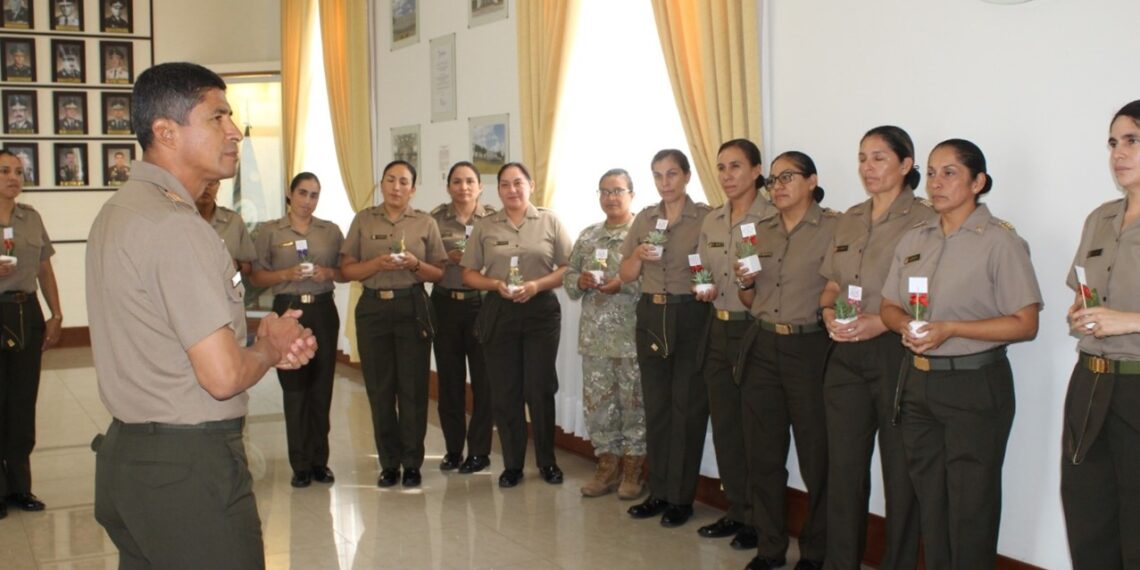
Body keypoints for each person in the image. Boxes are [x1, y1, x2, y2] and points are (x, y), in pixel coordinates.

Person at [86, 62, 316, 568]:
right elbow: (222, 376)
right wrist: (270, 346)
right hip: (186, 472)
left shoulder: (120, 210)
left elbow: (165, 330)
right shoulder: (176, 227)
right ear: (166, 132)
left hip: (131, 461)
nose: (234, 131)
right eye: (217, 117)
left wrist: (258, 339)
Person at [880, 138, 1041, 570]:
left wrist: (951, 329)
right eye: (932, 173)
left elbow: (1025, 323)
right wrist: (904, 325)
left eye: (949, 173)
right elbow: (889, 305)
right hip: (918, 383)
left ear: (978, 182)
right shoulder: (915, 238)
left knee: (971, 507)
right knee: (931, 503)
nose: (936, 182)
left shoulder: (1000, 242)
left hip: (974, 385)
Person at [819, 126, 930, 570]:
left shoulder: (925, 219)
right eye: (863, 158)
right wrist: (828, 312)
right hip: (846, 353)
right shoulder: (849, 218)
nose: (868, 167)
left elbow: (929, 294)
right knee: (843, 469)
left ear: (906, 165)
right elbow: (833, 284)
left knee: (901, 474)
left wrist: (880, 323)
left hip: (896, 352)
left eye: (879, 157)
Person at [735, 151, 835, 570]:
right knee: (763, 455)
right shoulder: (758, 232)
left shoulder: (834, 228)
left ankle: (815, 552)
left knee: (817, 457)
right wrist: (745, 283)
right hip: (761, 345)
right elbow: (748, 299)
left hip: (809, 349)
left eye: (787, 177)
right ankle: (770, 547)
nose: (777, 186)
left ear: (812, 181)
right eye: (773, 180)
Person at [1062, 100, 1140, 569]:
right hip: (1091, 381)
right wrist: (1080, 313)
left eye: (1132, 140)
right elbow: (1083, 294)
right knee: (1088, 514)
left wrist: (1129, 320)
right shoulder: (1100, 219)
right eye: (1113, 143)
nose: (1118, 153)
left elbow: (1121, 316)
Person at [461, 162, 572, 488]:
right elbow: (468, 274)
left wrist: (537, 285)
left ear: (531, 185)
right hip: (500, 311)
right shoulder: (485, 226)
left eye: (518, 183)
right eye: (505, 185)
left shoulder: (550, 221)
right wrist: (495, 285)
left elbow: (568, 267)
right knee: (505, 390)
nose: (512, 190)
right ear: (498, 190)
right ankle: (512, 464)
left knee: (539, 388)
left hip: (540, 311)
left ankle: (547, 461)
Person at [619, 149, 711, 527]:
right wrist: (639, 256)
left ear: (686, 176)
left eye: (672, 174)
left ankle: (680, 498)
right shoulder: (644, 218)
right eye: (657, 175)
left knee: (687, 408)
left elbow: (714, 267)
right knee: (656, 407)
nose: (665, 182)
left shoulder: (705, 218)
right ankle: (658, 492)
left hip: (690, 313)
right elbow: (626, 273)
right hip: (651, 313)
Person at [341, 160, 446, 489]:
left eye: (403, 182)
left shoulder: (425, 222)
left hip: (411, 306)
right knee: (380, 389)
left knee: (413, 389)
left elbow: (438, 273)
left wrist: (414, 264)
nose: (396, 187)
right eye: (390, 180)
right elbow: (347, 269)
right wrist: (376, 264)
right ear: (382, 184)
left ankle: (412, 463)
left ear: (413, 189)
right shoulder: (364, 219)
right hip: (373, 308)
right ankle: (389, 463)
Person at [692, 139, 773, 549]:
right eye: (721, 167)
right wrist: (703, 286)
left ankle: (762, 519)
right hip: (718, 328)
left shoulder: (773, 218)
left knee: (756, 429)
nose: (727, 175)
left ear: (757, 170)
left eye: (736, 166)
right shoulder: (712, 220)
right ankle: (738, 510)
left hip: (755, 331)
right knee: (725, 426)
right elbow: (702, 268)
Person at [251, 172, 345, 489]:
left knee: (321, 388)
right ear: (290, 194)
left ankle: (320, 461)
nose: (307, 200)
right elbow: (257, 277)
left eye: (314, 195)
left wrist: (327, 272)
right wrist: (285, 274)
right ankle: (300, 464)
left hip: (322, 309)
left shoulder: (330, 231)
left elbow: (345, 271)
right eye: (302, 193)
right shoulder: (270, 231)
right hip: (287, 309)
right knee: (294, 389)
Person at [564, 168, 646, 499]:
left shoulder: (643, 235)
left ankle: (633, 471)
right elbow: (569, 277)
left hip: (632, 339)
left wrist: (622, 284)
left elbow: (658, 279)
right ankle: (607, 467)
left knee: (634, 406)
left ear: (632, 195)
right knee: (598, 407)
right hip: (595, 340)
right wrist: (580, 281)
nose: (611, 197)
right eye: (604, 191)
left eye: (618, 191)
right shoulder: (588, 236)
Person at [0, 150, 62, 520]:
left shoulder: (31, 217)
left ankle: (20, 486)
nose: (13, 177)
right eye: (4, 171)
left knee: (22, 402)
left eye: (18, 172)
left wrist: (56, 314)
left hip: (26, 313)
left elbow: (44, 269)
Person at [430, 161, 495, 474]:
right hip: (445, 304)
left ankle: (479, 451)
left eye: (470, 181)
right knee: (450, 381)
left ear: (480, 187)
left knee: (485, 381)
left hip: (481, 305)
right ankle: (454, 450)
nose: (463, 187)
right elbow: (422, 258)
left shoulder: (493, 220)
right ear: (448, 187)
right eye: (457, 181)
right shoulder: (434, 220)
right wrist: (447, 258)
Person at [195, 180, 255, 275]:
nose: (207, 187)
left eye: (212, 183)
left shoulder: (234, 221)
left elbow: (251, 268)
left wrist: (236, 265)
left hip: (225, 283)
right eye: (202, 182)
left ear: (218, 186)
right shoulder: (179, 220)